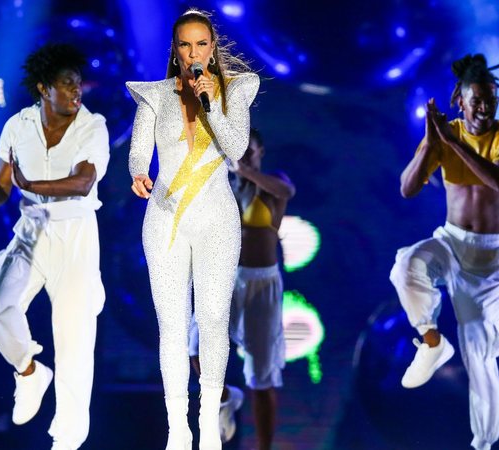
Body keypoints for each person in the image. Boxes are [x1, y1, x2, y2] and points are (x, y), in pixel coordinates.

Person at [0, 43, 109, 450]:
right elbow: (2, 189)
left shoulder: (92, 126)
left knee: (74, 342)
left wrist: (32, 185)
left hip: (75, 232)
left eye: (78, 85)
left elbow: (83, 182)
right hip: (31, 229)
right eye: (67, 85)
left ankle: (67, 441)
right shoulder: (17, 126)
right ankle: (28, 372)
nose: (76, 92)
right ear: (44, 88)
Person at [126, 9, 258, 450]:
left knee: (214, 319)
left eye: (201, 44)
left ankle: (207, 421)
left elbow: (237, 148)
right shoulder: (156, 95)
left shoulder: (234, 90)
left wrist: (210, 102)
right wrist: (138, 172)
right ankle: (177, 426)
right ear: (175, 50)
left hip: (217, 217)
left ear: (213, 47)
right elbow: (139, 151)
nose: (193, 53)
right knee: (173, 326)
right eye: (185, 45)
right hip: (165, 216)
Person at [389, 53, 499, 450]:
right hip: (451, 240)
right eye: (476, 99)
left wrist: (450, 142)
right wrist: (432, 143)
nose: (484, 107)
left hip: (491, 258)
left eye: (491, 99)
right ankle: (431, 343)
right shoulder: (445, 134)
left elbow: (498, 181)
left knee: (479, 353)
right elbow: (408, 188)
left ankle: (483, 444)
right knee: (406, 266)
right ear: (459, 100)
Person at [188, 127, 295, 449]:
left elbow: (286, 192)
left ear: (260, 152)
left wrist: (245, 170)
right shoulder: (223, 185)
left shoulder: (274, 182)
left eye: (249, 151)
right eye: (238, 151)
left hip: (261, 283)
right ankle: (224, 397)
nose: (243, 156)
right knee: (195, 347)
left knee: (260, 377)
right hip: (223, 278)